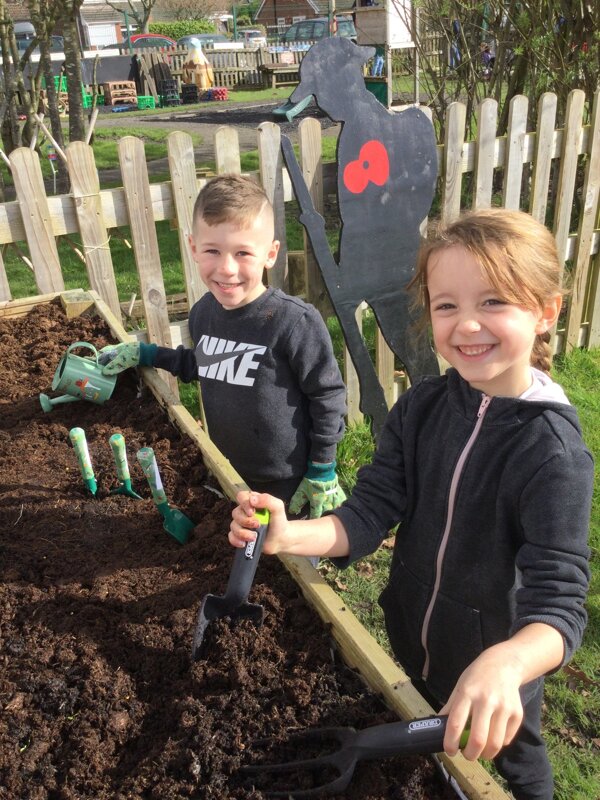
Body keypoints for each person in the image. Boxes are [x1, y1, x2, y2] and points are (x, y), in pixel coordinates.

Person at [229, 208, 593, 800]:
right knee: (430, 751)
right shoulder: (422, 407)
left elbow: (561, 604)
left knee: (515, 769)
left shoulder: (553, 455)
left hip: (494, 677)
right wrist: (288, 534)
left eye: (494, 302)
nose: (467, 325)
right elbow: (369, 511)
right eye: (447, 305)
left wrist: (508, 663)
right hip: (412, 637)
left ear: (545, 311)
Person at [100, 174, 347, 519]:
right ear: (192, 248)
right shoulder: (203, 313)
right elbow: (207, 364)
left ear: (270, 253)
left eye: (243, 252)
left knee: (290, 562)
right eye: (212, 250)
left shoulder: (292, 323)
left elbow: (328, 396)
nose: (227, 268)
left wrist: (322, 467)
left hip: (288, 479)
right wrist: (147, 354)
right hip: (229, 469)